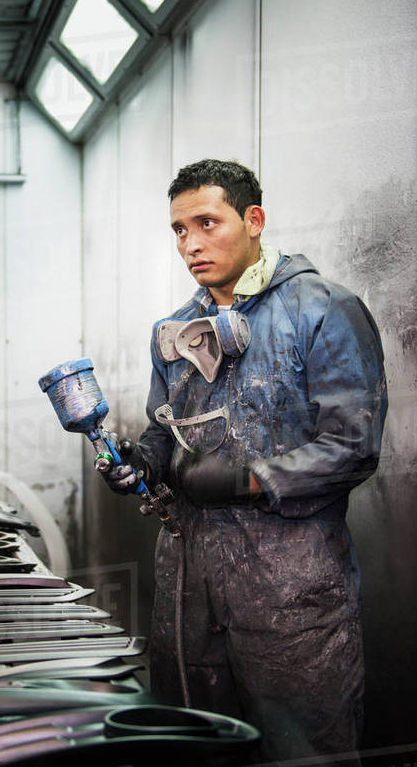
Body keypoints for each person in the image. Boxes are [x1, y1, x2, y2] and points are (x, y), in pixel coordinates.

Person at [102, 159, 387, 761]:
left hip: (290, 595)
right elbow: (165, 433)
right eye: (179, 230)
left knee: (303, 750)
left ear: (254, 220)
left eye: (208, 222)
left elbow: (352, 446)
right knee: (193, 746)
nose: (191, 244)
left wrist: (249, 481)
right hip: (188, 590)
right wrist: (142, 461)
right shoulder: (177, 332)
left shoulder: (323, 310)